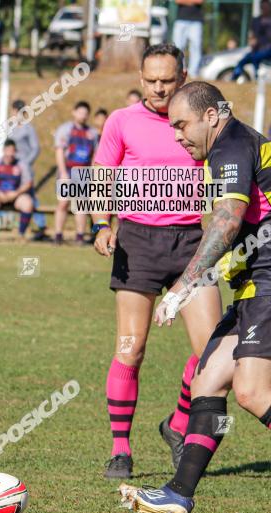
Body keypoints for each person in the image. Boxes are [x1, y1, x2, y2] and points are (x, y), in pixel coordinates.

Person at [121, 82, 271, 513]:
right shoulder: (233, 147)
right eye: (171, 127)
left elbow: (225, 223)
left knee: (252, 390)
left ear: (212, 116)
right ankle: (178, 493)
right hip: (252, 284)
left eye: (182, 124)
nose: (177, 135)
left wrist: (183, 286)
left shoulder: (230, 146)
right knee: (207, 383)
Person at [91, 44, 221, 480]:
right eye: (151, 80)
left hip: (192, 243)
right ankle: (121, 451)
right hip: (138, 241)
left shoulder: (204, 119)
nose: (159, 88)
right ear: (141, 76)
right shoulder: (121, 121)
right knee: (131, 348)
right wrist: (100, 226)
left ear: (184, 76)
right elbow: (100, 175)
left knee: (212, 352)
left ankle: (177, 425)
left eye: (168, 79)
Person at [53, 101, 98, 245]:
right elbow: (59, 151)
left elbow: (95, 155)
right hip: (67, 171)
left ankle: (79, 236)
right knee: (63, 203)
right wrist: (63, 172)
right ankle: (58, 235)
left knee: (81, 205)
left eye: (86, 113)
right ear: (74, 112)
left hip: (83, 172)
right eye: (80, 112)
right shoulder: (65, 129)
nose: (83, 116)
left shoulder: (92, 133)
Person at [8, 99, 46, 241]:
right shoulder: (9, 128)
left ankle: (41, 225)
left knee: (30, 196)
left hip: (24, 170)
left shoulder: (28, 128)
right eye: (16, 110)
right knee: (7, 193)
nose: (18, 113)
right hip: (11, 169)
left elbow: (35, 148)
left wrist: (26, 164)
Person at [0, 139, 34, 242]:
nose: (10, 154)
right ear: (4, 150)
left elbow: (28, 183)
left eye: (13, 151)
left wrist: (16, 193)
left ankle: (21, 235)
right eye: (8, 150)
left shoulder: (21, 165)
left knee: (28, 203)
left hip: (15, 196)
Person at [232, 0, 271, 81]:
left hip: (268, 49)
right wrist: (251, 41)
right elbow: (252, 34)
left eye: (266, 7)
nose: (264, 9)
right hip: (257, 49)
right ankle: (233, 78)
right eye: (263, 7)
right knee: (241, 62)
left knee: (255, 57)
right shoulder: (256, 20)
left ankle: (257, 78)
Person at [172, 0, 203, 75]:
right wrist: (192, 2)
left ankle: (193, 72)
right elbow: (178, 1)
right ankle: (180, 70)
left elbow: (200, 1)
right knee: (178, 47)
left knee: (196, 47)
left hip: (196, 21)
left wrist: (186, 1)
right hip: (181, 20)